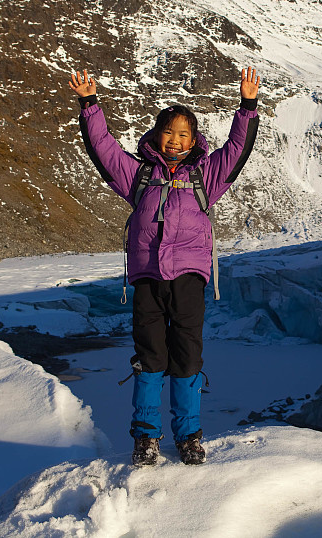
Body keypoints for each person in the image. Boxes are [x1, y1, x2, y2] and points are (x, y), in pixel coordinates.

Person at [70, 67, 260, 465]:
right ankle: (145, 437)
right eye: (169, 133)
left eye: (184, 134)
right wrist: (89, 105)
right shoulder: (138, 175)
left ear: (194, 141)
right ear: (157, 135)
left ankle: (189, 435)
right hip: (147, 278)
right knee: (149, 357)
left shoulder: (206, 175)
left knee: (187, 357)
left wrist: (247, 106)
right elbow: (102, 149)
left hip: (189, 277)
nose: (175, 141)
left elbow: (237, 149)